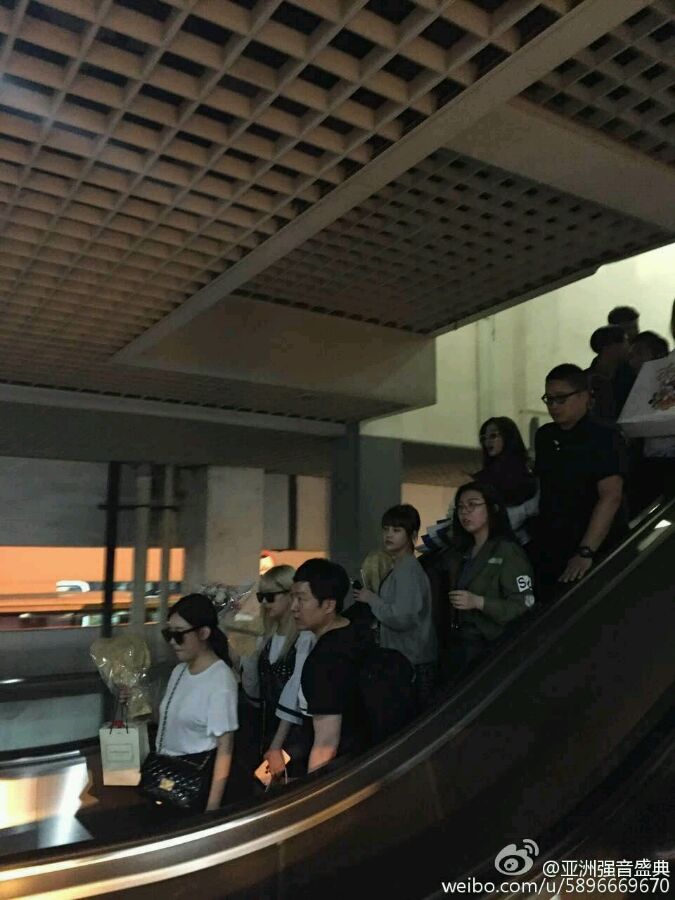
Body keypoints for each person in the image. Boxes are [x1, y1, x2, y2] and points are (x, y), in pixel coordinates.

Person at [533, 364, 627, 599]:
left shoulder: (604, 437)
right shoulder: (545, 436)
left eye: (561, 398)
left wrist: (586, 551)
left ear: (584, 396)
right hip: (551, 542)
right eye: (549, 399)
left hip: (593, 544)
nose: (554, 406)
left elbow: (611, 496)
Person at [437, 482, 534, 676]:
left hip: (490, 648)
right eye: (461, 507)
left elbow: (524, 605)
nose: (465, 512)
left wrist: (479, 602)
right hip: (459, 644)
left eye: (473, 505)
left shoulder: (507, 551)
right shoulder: (462, 553)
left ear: (492, 508)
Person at [156, 594, 239, 811]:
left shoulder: (220, 680)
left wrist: (212, 808)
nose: (172, 641)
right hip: (167, 775)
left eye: (179, 634)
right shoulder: (179, 671)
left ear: (203, 633)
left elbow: (225, 749)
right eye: (168, 634)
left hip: (192, 782)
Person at [353, 504, 438, 710]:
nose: (389, 535)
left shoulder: (407, 569)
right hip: (407, 658)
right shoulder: (402, 567)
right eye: (386, 529)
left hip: (410, 661)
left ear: (412, 535)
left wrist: (371, 599)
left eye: (397, 530)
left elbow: (402, 617)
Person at [291, 558, 367, 773]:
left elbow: (326, 744)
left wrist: (312, 790)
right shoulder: (356, 630)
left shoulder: (325, 660)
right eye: (292, 598)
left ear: (328, 605)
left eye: (301, 599)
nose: (294, 607)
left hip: (345, 769)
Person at [240, 565, 315, 780]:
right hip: (268, 731)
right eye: (261, 597)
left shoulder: (304, 638)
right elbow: (253, 691)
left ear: (291, 595)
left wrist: (276, 744)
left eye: (270, 596)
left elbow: (294, 696)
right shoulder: (266, 637)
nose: (264, 603)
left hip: (295, 737)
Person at [474, 417, 538, 547]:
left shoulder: (528, 474)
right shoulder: (483, 478)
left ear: (508, 437)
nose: (487, 442)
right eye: (484, 438)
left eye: (493, 436)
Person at [588, 325, 635, 420]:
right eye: (625, 341)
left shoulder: (629, 375)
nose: (629, 347)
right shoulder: (588, 381)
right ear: (610, 346)